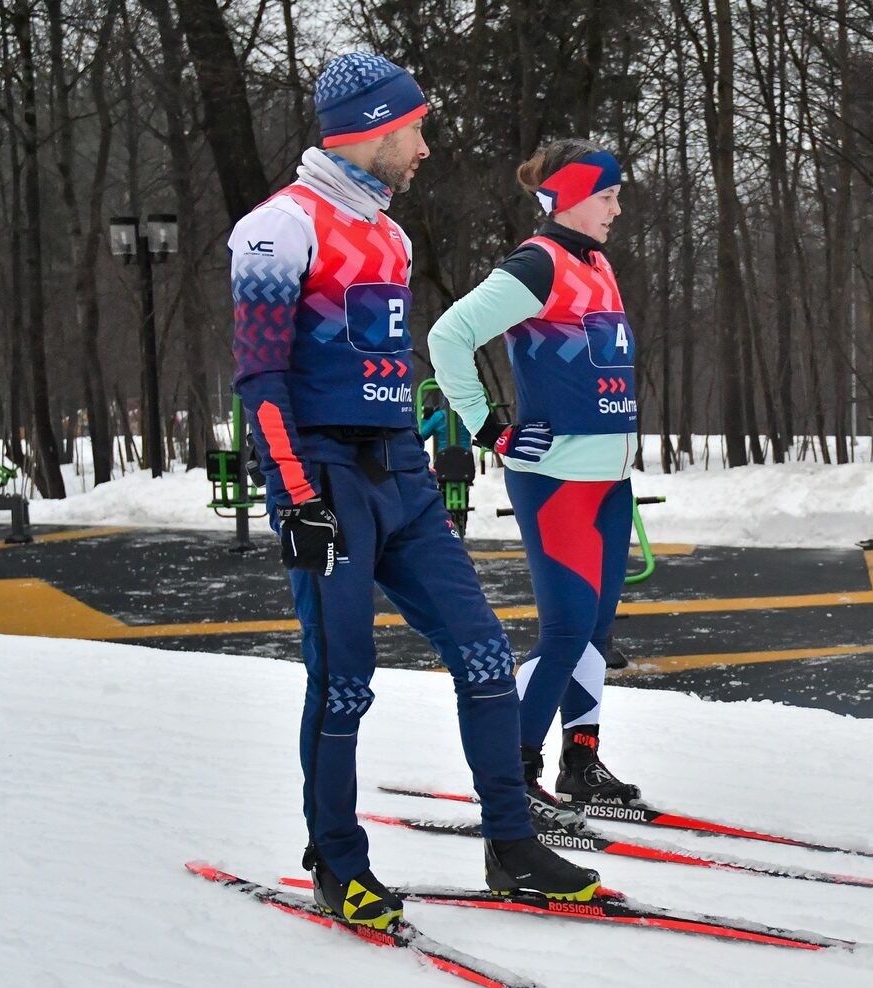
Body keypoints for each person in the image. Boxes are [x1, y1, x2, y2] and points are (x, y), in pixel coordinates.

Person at [228, 53, 599, 929]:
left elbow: (386, 365)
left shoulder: (389, 235)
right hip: (322, 479)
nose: (426, 147)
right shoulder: (278, 229)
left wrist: (434, 445)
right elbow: (259, 378)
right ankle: (337, 861)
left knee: (482, 653)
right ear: (375, 129)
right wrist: (295, 495)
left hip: (400, 475)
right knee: (345, 680)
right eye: (417, 129)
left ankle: (511, 846)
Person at [428, 138, 641, 823]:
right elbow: (448, 337)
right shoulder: (538, 263)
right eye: (607, 196)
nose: (617, 207)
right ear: (574, 199)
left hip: (607, 484)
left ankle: (580, 759)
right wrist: (489, 429)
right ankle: (512, 771)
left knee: (595, 632)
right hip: (555, 482)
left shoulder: (598, 263)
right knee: (565, 634)